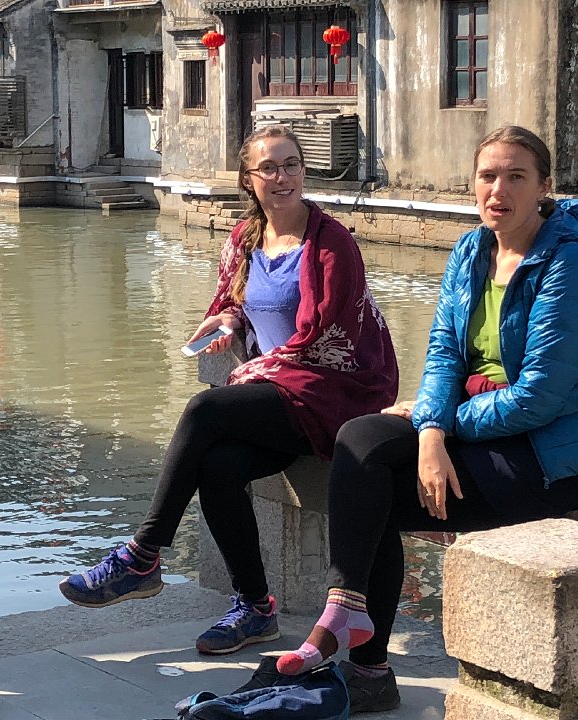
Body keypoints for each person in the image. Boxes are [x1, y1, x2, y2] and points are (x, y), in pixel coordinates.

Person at [274, 125, 578, 713]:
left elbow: (538, 397)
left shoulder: (572, 263)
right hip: (476, 421)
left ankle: (365, 668)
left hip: (556, 451)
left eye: (516, 177)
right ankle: (347, 607)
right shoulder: (470, 251)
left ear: (544, 187)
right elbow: (443, 352)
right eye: (488, 176)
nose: (498, 190)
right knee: (360, 440)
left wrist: (440, 426)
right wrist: (432, 429)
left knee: (375, 499)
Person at [60, 124, 399, 655]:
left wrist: (257, 371)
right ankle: (255, 608)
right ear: (248, 179)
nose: (282, 177)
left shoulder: (331, 243)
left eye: (291, 165)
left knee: (205, 409)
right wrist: (227, 321)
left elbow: (328, 334)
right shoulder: (244, 240)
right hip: (281, 395)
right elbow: (235, 302)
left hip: (333, 393)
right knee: (219, 468)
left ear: (304, 171)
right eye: (269, 168)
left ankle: (143, 554)